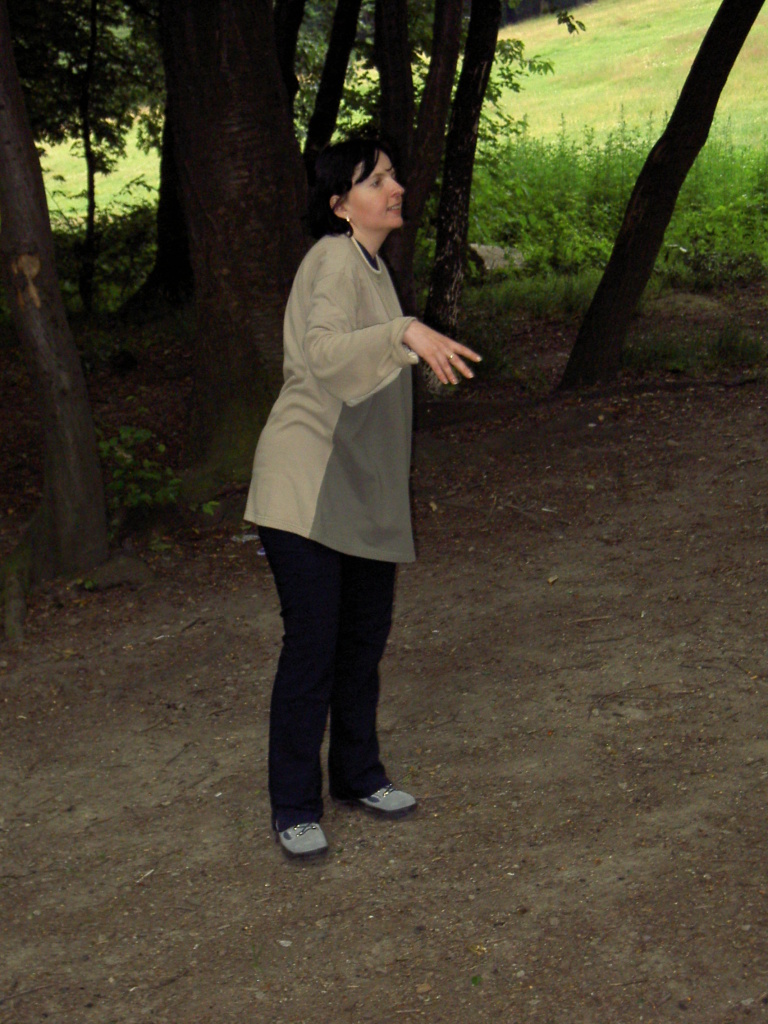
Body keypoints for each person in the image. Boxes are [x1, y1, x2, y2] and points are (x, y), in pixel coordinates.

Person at [244, 137, 481, 860]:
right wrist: (404, 332)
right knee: (314, 648)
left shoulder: (374, 270)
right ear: (340, 204)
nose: (394, 187)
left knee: (361, 644)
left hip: (359, 494)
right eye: (375, 180)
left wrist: (402, 334)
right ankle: (293, 806)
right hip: (305, 488)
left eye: (393, 176)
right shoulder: (331, 259)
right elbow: (321, 352)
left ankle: (357, 776)